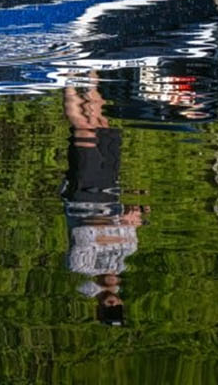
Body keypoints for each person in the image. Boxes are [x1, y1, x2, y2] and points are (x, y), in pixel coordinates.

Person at [60, 79, 148, 326]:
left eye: (109, 310)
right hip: (110, 194)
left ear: (99, 308)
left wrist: (120, 226)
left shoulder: (82, 270)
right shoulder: (122, 262)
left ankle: (67, 80)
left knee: (84, 130)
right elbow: (130, 231)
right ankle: (91, 74)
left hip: (84, 197)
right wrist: (135, 213)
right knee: (102, 125)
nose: (113, 304)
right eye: (118, 308)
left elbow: (86, 231)